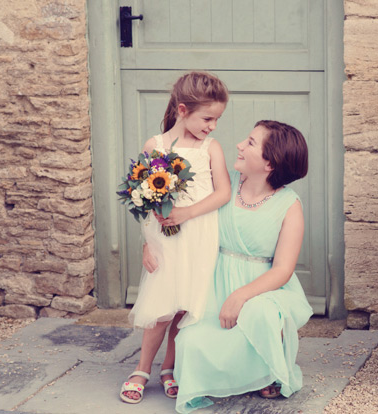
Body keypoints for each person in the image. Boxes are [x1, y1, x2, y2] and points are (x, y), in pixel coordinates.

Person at [172, 120, 313, 413]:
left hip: (263, 289)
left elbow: (283, 270)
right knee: (190, 342)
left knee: (259, 314)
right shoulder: (224, 186)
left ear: (270, 163)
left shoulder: (289, 205)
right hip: (217, 284)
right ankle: (245, 371)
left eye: (250, 142)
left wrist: (240, 297)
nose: (239, 145)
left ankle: (269, 369)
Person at [120, 72, 231, 404]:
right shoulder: (155, 146)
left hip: (200, 237)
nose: (212, 126)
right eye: (207, 118)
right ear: (183, 110)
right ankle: (141, 369)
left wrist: (187, 213)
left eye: (217, 119)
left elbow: (223, 192)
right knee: (162, 306)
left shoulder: (211, 148)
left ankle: (170, 367)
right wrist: (146, 244)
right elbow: (144, 199)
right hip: (166, 242)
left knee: (186, 306)